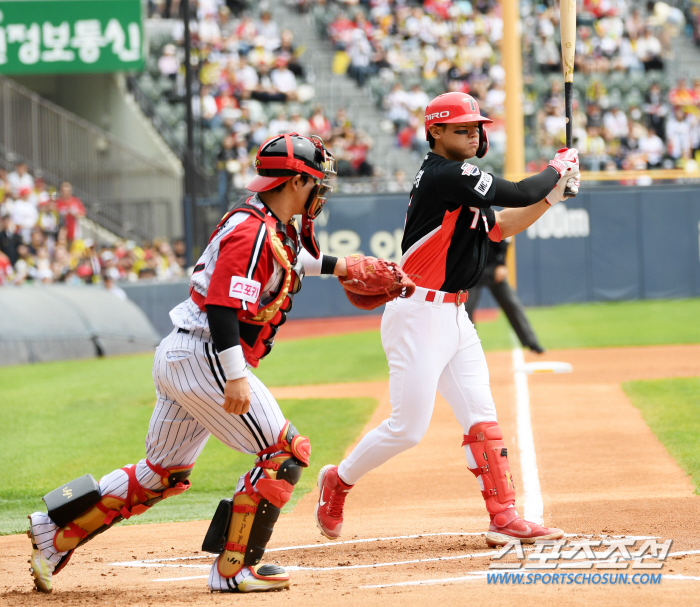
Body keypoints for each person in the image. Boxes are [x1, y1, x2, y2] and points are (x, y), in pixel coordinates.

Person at [26, 134, 407, 594]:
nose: (320, 191)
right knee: (283, 452)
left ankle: (54, 530)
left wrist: (344, 266)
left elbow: (290, 259)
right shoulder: (253, 230)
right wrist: (235, 375)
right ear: (294, 182)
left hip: (183, 354)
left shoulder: (267, 221)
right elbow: (223, 307)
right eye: (314, 182)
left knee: (161, 472)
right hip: (206, 353)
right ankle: (235, 568)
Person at [315, 92, 580, 548]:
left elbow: (500, 225)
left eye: (476, 127)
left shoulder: (458, 182)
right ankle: (338, 480)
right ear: (435, 132)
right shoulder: (446, 174)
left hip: (454, 315)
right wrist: (558, 168)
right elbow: (518, 190)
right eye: (462, 128)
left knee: (482, 418)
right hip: (418, 313)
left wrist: (552, 198)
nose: (474, 134)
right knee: (407, 429)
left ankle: (503, 516)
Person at [464, 238, 545, 354]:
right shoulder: (466, 222)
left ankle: (532, 343)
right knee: (466, 311)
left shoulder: (492, 220)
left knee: (512, 304)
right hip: (472, 272)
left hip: (493, 268)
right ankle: (469, 349)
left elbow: (504, 240)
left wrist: (501, 264)